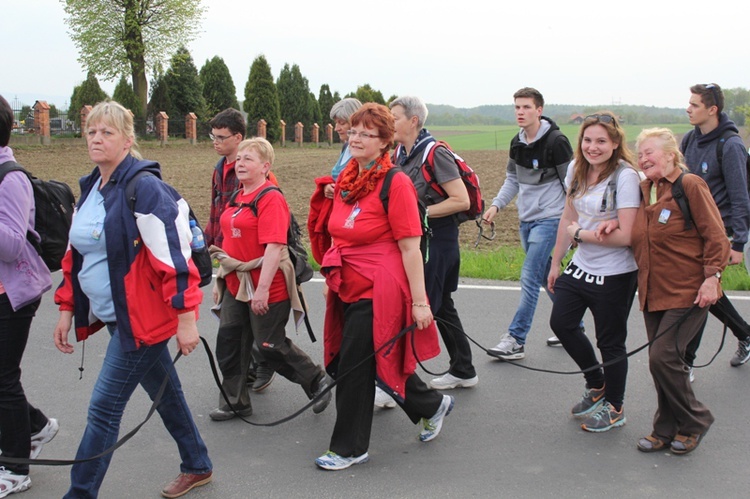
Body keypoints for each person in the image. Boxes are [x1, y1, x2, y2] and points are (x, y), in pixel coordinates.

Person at [53, 100, 212, 498]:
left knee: (103, 409)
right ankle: (197, 464)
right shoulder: (93, 187)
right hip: (115, 316)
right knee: (167, 394)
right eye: (91, 131)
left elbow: (173, 258)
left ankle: (79, 494)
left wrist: (186, 318)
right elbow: (76, 255)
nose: (96, 138)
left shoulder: (145, 188)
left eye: (107, 132)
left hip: (142, 320)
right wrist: (68, 307)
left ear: (127, 140)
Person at [315, 103, 453, 471]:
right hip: (347, 281)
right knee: (369, 360)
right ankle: (432, 405)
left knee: (354, 367)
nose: (356, 138)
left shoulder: (397, 183)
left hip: (381, 286)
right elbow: (339, 231)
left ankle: (348, 448)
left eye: (366, 133)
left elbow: (410, 247)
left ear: (384, 142)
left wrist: (420, 303)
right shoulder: (347, 179)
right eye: (354, 131)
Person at [207, 137, 332, 421]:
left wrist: (261, 291)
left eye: (248, 159)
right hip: (236, 284)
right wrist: (222, 280)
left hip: (269, 285)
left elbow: (274, 248)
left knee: (268, 346)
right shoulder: (237, 196)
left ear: (265, 166)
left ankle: (316, 381)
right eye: (239, 159)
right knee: (230, 342)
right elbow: (229, 241)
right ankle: (234, 402)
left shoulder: (271, 198)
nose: (240, 163)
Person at [631, 128, 728, 455]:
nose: (644, 159)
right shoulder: (646, 190)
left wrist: (712, 277)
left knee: (664, 357)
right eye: (640, 153)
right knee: (662, 363)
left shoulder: (689, 186)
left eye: (650, 152)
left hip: (688, 290)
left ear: (671, 155)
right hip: (652, 290)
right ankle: (665, 428)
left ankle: (696, 419)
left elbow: (717, 236)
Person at [547, 112, 640, 433]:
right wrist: (556, 261)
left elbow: (627, 235)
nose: (593, 147)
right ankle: (596, 383)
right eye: (588, 140)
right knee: (561, 322)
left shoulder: (626, 177)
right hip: (582, 265)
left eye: (601, 141)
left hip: (616, 272)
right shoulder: (576, 168)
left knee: (610, 342)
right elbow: (567, 217)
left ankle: (615, 407)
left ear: (615, 143)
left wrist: (580, 234)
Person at [390, 95, 478, 393]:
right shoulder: (400, 154)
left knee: (419, 306)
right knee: (440, 307)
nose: (391, 123)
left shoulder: (433, 153)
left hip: (438, 240)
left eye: (395, 118)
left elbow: (460, 199)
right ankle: (464, 368)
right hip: (421, 238)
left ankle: (396, 383)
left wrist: (416, 214)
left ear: (413, 121)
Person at [482, 87, 575, 357]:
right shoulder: (517, 142)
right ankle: (572, 324)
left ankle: (516, 339)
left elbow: (570, 186)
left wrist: (573, 226)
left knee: (530, 276)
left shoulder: (557, 142)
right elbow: (513, 179)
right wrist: (496, 205)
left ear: (539, 110)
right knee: (547, 276)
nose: (520, 112)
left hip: (551, 219)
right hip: (527, 220)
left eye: (526, 107)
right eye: (517, 107)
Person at [0, 94, 57, 498]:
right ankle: (35, 425)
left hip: (11, 296)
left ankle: (16, 468)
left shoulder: (10, 178)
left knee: (2, 381)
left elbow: (11, 245)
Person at [205, 108, 276, 396]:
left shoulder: (259, 173)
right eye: (213, 136)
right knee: (231, 321)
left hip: (251, 257)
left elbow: (269, 220)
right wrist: (211, 242)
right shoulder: (219, 168)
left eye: (222, 138)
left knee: (254, 321)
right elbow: (216, 209)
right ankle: (243, 375)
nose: (216, 142)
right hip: (227, 251)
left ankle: (266, 364)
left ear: (238, 137)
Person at [681, 83, 750, 370]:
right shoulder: (688, 140)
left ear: (713, 110)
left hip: (719, 233)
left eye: (695, 104)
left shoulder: (731, 146)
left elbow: (740, 195)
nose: (688, 108)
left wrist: (737, 243)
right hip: (691, 231)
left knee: (700, 294)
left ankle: (686, 363)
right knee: (704, 291)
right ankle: (745, 334)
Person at [308, 98, 362, 264]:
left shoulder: (361, 150)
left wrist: (337, 188)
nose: (337, 128)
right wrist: (328, 187)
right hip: (338, 212)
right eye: (336, 123)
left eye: (342, 123)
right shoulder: (346, 146)